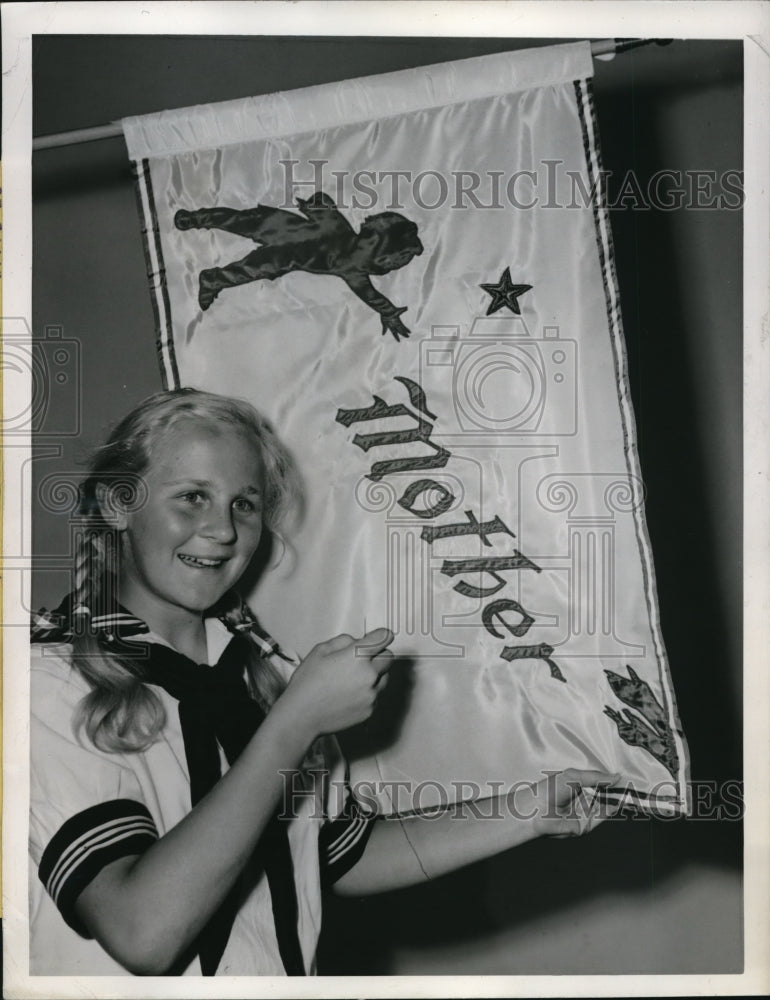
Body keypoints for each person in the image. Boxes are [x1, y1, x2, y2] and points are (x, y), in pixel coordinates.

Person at [29, 388, 619, 977]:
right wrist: (294, 725)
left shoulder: (267, 677)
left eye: (245, 505)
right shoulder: (50, 683)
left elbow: (340, 855)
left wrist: (528, 811)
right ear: (116, 505)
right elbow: (140, 933)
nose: (222, 530)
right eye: (191, 497)